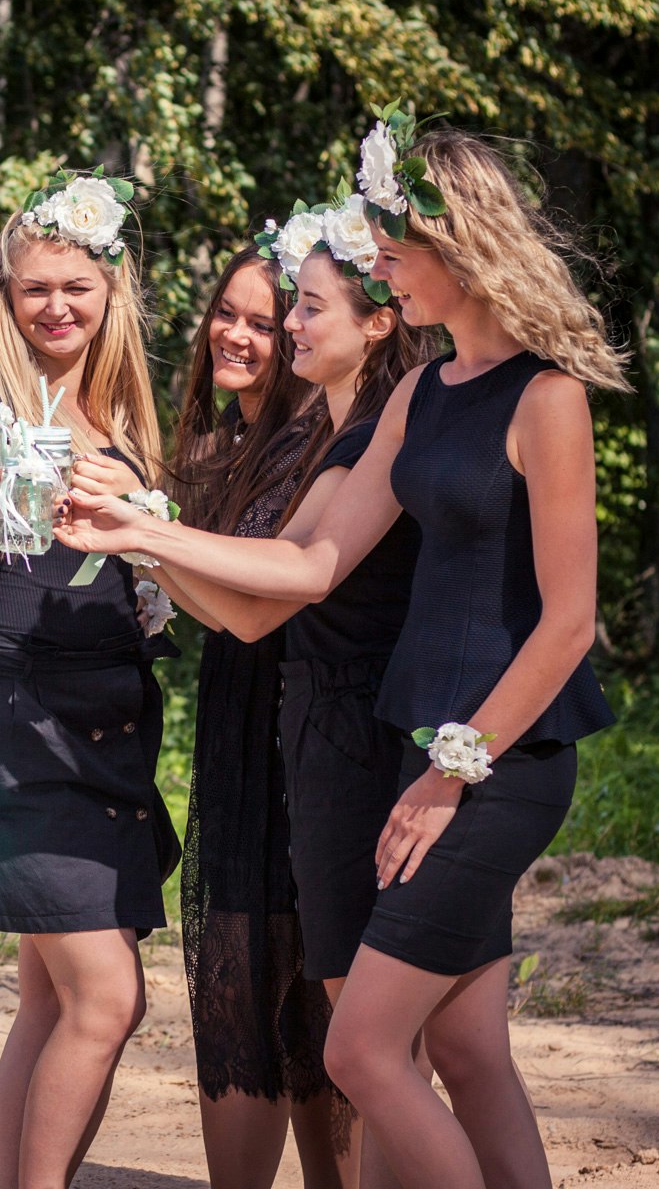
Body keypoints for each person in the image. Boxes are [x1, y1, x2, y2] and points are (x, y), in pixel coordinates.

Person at [58, 118, 626, 1188]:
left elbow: (565, 625)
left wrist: (451, 776)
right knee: (467, 1050)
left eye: (395, 253)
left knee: (360, 1050)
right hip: (423, 747)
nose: (385, 272)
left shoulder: (548, 398)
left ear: (459, 247)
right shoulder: (420, 394)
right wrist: (143, 529)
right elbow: (313, 564)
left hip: (500, 763)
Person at [113, 199, 437, 1189]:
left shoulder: (346, 439)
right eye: (236, 313)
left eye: (290, 310)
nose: (260, 331)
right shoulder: (263, 443)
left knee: (355, 1019)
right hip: (271, 716)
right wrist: (144, 541)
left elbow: (279, 594)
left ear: (373, 321)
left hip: (344, 726)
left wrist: (144, 533)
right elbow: (241, 611)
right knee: (276, 993)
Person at [0, 170, 179, 1189]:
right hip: (16, 711)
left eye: (77, 287)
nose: (56, 307)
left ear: (112, 291)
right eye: (35, 288)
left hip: (111, 720)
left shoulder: (128, 408)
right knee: (106, 997)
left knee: (53, 998)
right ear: (6, 293)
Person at [127, 241, 348, 1189]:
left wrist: (147, 534)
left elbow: (256, 612)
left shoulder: (320, 446)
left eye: (266, 320)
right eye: (229, 312)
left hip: (301, 715)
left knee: (312, 992)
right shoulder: (210, 451)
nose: (241, 334)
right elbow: (207, 605)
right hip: (232, 720)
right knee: (239, 979)